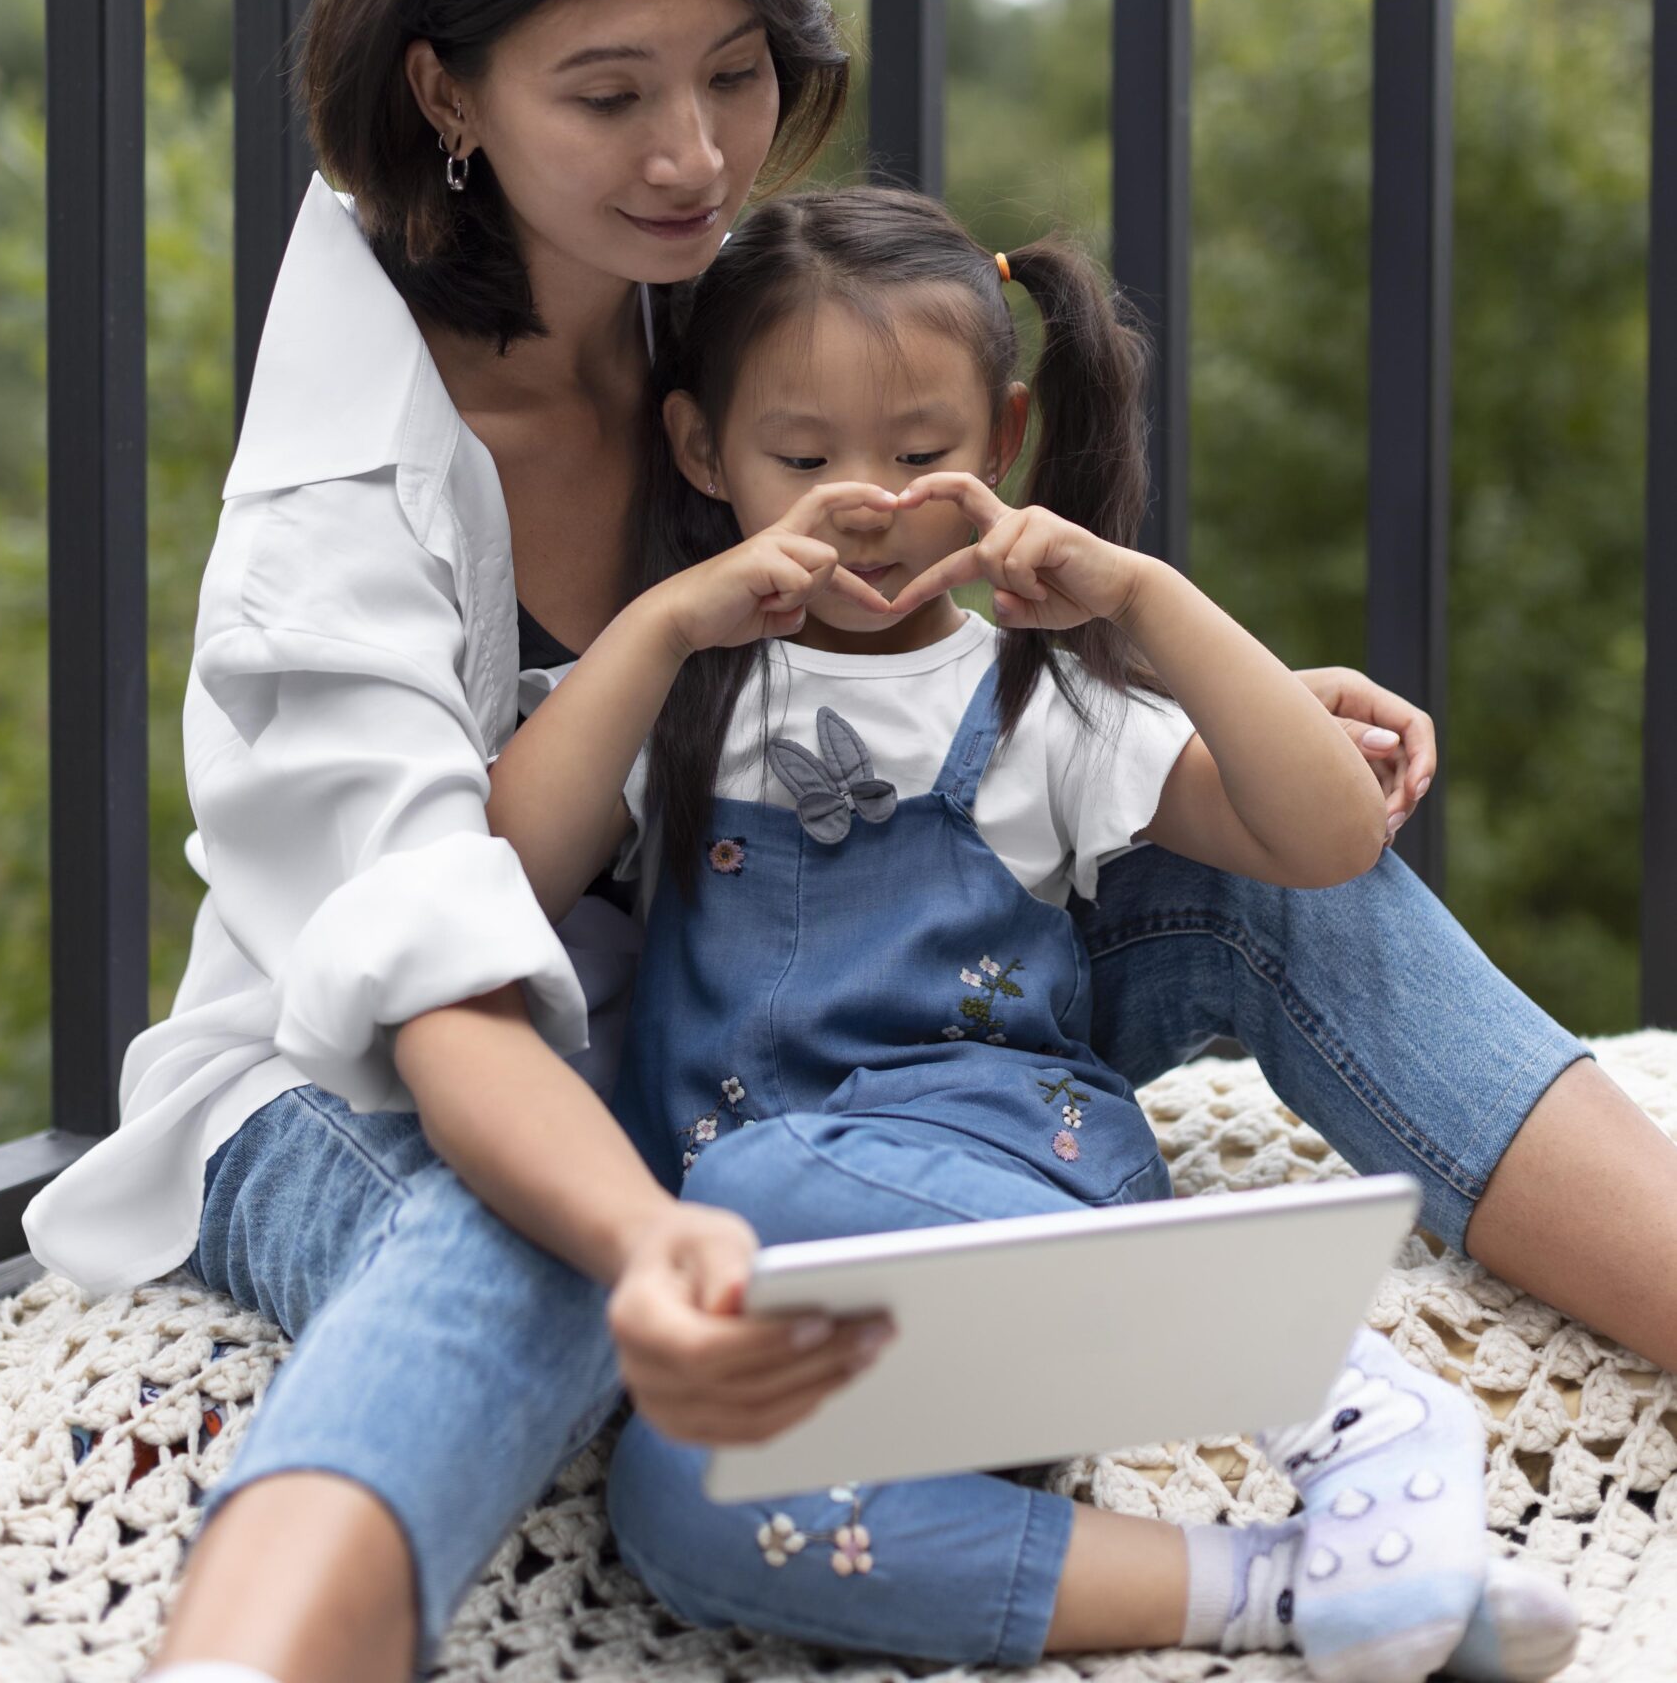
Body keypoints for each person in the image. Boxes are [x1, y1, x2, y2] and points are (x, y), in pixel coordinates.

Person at [15, 0, 1677, 1683]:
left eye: (732, 71)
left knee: (1257, 872)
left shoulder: (705, 310)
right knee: (515, 1245)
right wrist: (645, 1233)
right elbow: (434, 970)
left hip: (803, 1008)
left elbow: (927, 653)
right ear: (445, 90)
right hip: (387, 1070)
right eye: (608, 91)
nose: (695, 155)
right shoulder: (341, 498)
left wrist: (1201, 687)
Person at [483, 184, 1578, 1680]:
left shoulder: (1035, 702)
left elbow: (1325, 841)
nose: (862, 500)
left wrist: (1140, 596)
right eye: (801, 459)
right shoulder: (677, 687)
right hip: (806, 1298)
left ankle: (1323, 1383)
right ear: (698, 448)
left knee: (744, 1180)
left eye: (919, 455)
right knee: (681, 1508)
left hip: (1016, 1194)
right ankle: (1286, 1591)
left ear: (1000, 443)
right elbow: (506, 866)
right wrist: (667, 621)